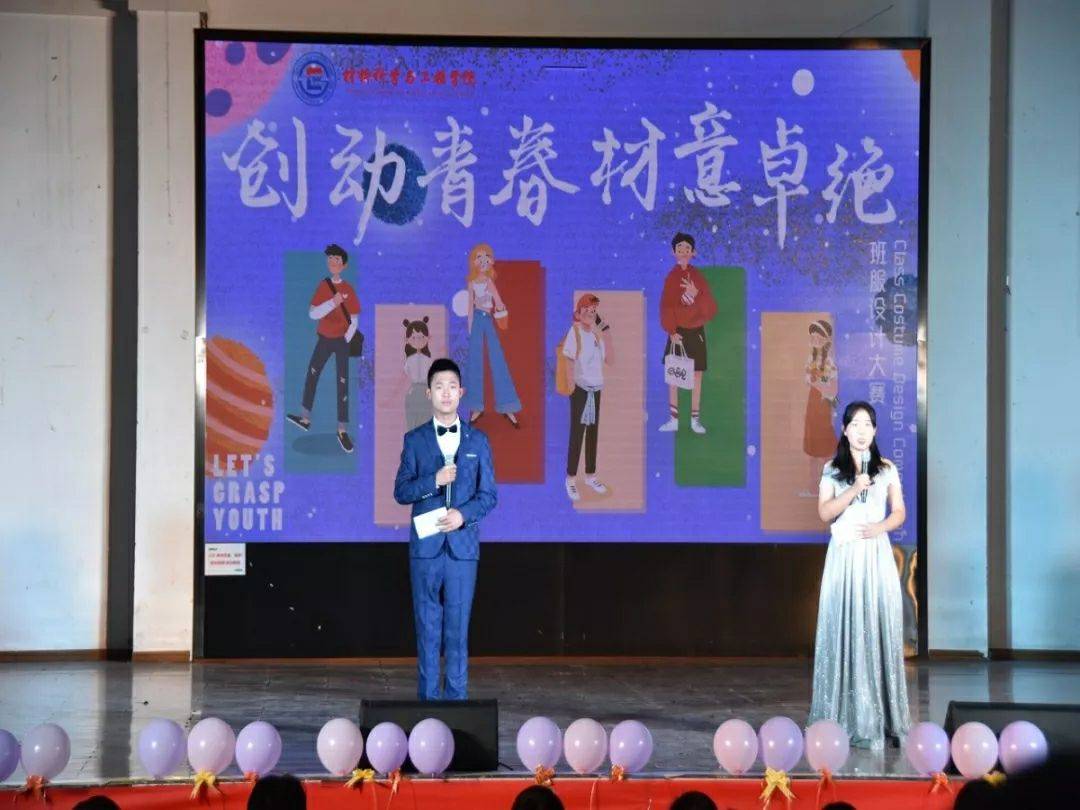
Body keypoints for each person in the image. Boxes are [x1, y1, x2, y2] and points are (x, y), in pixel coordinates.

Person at [808, 401, 910, 748]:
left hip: (874, 553)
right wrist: (854, 488)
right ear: (845, 430)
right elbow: (825, 513)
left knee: (875, 624)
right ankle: (841, 715)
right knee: (844, 624)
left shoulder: (886, 468)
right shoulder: (832, 469)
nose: (862, 431)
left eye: (868, 424)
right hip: (845, 555)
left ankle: (880, 716)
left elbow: (899, 511)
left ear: (875, 430)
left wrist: (880, 527)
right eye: (856, 424)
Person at [394, 358, 497, 700]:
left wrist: (462, 516)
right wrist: (433, 481)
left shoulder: (478, 441)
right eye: (439, 386)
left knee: (457, 629)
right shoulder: (415, 440)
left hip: (462, 548)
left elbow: (488, 496)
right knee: (427, 628)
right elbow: (401, 491)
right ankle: (428, 703)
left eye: (452, 386)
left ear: (461, 392)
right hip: (426, 547)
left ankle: (457, 703)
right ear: (429, 393)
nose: (446, 393)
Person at [286, 243, 360, 453]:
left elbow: (354, 319)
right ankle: (305, 418)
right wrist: (332, 303)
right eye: (330, 259)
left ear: (344, 265)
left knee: (342, 383)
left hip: (341, 341)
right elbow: (312, 314)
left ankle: (342, 430)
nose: (333, 262)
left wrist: (346, 338)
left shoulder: (349, 289)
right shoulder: (324, 285)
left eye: (337, 259)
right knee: (312, 373)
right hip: (324, 339)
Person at [658, 232, 717, 434]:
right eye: (679, 248)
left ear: (694, 252)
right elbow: (666, 306)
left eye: (687, 248)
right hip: (677, 333)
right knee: (673, 375)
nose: (683, 252)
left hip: (696, 332)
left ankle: (694, 420)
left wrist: (696, 293)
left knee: (696, 376)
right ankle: (674, 419)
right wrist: (671, 331)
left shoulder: (698, 278)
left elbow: (710, 309)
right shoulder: (671, 277)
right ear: (673, 252)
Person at [461, 242, 522, 427]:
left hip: (488, 319)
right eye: (478, 257)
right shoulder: (472, 283)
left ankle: (508, 406)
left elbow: (499, 302)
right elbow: (470, 307)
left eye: (486, 256)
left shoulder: (489, 282)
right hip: (476, 322)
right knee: (475, 363)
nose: (483, 260)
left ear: (491, 260)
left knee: (497, 359)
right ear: (473, 261)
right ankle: (476, 407)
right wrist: (470, 328)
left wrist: (500, 309)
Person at [562, 294, 614, 502]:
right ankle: (570, 479)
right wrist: (571, 386)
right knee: (577, 434)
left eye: (594, 311)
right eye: (587, 309)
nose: (591, 313)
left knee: (593, 433)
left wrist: (606, 332)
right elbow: (568, 359)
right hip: (580, 390)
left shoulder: (595, 336)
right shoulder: (574, 332)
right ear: (578, 312)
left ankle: (591, 476)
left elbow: (610, 359)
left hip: (596, 389)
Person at [403, 317, 433, 431]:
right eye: (414, 338)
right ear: (407, 340)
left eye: (421, 337)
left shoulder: (428, 360)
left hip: (425, 392)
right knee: (413, 422)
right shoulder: (409, 360)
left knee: (425, 421)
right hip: (414, 392)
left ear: (427, 338)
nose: (418, 340)